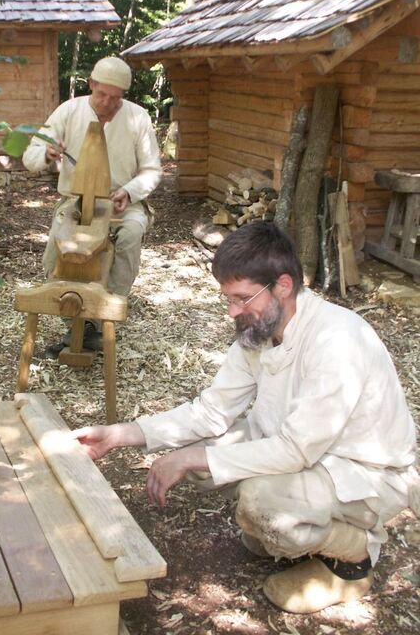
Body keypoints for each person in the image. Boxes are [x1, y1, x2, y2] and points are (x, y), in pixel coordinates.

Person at [74, 222, 418, 614]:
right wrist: (117, 435)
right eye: (228, 300)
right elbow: (211, 411)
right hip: (305, 455)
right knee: (216, 471)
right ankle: (295, 530)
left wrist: (192, 458)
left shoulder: (337, 341)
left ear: (283, 286)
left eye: (242, 298)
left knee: (260, 503)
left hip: (363, 475)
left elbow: (296, 450)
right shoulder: (260, 328)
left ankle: (354, 560)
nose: (233, 312)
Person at [22, 56, 162, 355]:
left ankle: (104, 316)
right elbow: (30, 155)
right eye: (102, 94)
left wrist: (129, 191)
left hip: (122, 200)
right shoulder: (69, 111)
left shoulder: (138, 118)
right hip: (76, 199)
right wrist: (46, 154)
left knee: (129, 235)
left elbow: (152, 170)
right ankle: (72, 315)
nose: (108, 103)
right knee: (61, 246)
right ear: (92, 85)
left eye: (115, 98)